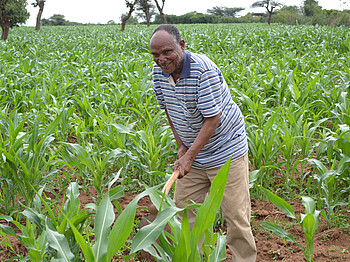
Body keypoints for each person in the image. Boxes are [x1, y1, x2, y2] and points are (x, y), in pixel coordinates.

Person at [149, 24, 257, 262]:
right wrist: (181, 147)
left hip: (226, 151)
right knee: (180, 213)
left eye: (167, 52)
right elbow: (170, 110)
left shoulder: (202, 70)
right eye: (156, 55)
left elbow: (212, 119)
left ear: (182, 46)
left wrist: (189, 155)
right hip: (194, 155)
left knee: (236, 217)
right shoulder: (159, 74)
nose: (161, 59)